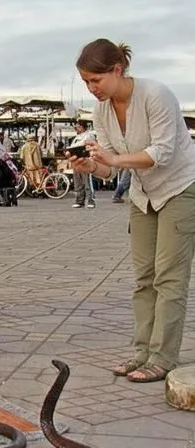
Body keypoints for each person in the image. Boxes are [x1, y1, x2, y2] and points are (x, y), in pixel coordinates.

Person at [68, 38, 195, 382]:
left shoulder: (156, 95)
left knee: (169, 276)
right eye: (85, 82)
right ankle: (143, 351)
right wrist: (90, 167)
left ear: (117, 70)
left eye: (96, 80)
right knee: (143, 278)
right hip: (144, 194)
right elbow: (110, 169)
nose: (91, 88)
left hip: (180, 188)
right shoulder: (102, 109)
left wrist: (114, 159)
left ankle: (163, 356)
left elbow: (163, 153)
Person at [69, 120, 96, 209]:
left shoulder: (89, 135)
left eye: (78, 127)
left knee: (87, 182)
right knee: (78, 182)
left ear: (83, 127)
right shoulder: (76, 138)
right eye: (76, 127)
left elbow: (90, 147)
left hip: (86, 161)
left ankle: (91, 200)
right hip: (76, 162)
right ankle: (79, 201)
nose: (77, 128)